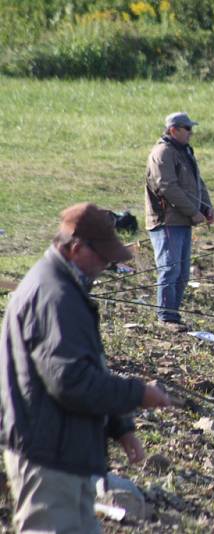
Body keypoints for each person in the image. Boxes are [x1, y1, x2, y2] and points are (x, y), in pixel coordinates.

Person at [0, 203, 172, 534]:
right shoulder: (54, 297)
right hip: (46, 454)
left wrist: (120, 427)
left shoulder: (67, 291)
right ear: (76, 248)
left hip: (67, 449)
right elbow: (70, 382)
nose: (107, 265)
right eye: (103, 257)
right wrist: (138, 394)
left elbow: (87, 365)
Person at [145, 111, 214, 332]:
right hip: (166, 221)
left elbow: (197, 183)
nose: (191, 133)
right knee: (169, 269)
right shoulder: (163, 152)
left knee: (183, 272)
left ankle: (173, 315)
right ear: (173, 129)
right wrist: (193, 212)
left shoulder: (184, 152)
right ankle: (166, 317)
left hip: (182, 221)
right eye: (187, 129)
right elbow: (166, 187)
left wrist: (206, 206)